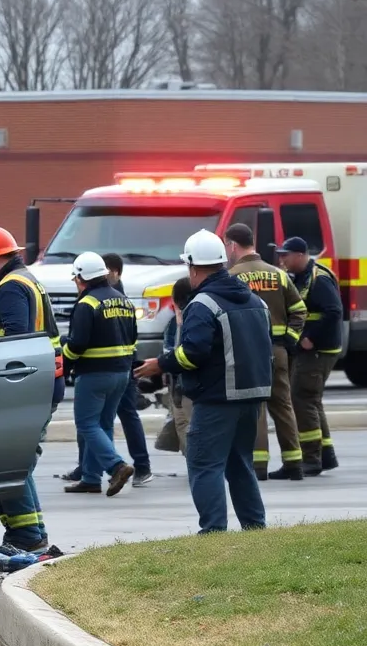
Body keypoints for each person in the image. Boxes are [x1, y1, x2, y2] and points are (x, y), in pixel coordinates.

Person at [135, 230, 271, 534]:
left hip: (217, 398)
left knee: (204, 463)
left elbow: (193, 354)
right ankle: (255, 527)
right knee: (240, 464)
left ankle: (213, 532)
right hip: (252, 396)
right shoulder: (253, 300)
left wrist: (161, 364)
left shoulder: (202, 304)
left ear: (194, 268)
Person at [0, 225, 61, 553]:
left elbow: (15, 342)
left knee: (5, 461)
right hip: (43, 382)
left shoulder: (9, 288)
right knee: (18, 462)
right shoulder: (27, 279)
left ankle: (26, 536)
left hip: (24, 384)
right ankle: (32, 534)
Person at [223, 223, 307, 481]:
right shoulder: (278, 274)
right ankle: (294, 464)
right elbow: (299, 310)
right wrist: (290, 340)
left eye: (227, 246)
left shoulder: (232, 277)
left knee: (255, 407)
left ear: (234, 245)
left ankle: (258, 466)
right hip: (279, 350)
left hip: (249, 354)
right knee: (283, 406)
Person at [61, 253, 153, 486]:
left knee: (87, 424)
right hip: (121, 374)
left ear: (81, 278)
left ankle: (116, 466)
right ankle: (91, 479)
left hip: (93, 374)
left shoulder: (87, 303)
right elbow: (133, 340)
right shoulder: (123, 300)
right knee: (104, 424)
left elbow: (78, 343)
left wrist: (65, 362)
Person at [277, 236, 342, 474]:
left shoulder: (319, 279)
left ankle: (311, 458)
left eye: (286, 254)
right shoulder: (301, 277)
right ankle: (326, 456)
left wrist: (310, 337)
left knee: (301, 399)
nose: (282, 259)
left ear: (301, 255)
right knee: (311, 400)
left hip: (318, 350)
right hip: (311, 350)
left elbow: (333, 311)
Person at [161, 277, 194, 454]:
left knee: (186, 423)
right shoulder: (176, 322)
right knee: (183, 422)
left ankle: (196, 461)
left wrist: (162, 365)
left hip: (186, 384)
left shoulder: (186, 319)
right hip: (181, 385)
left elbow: (173, 351)